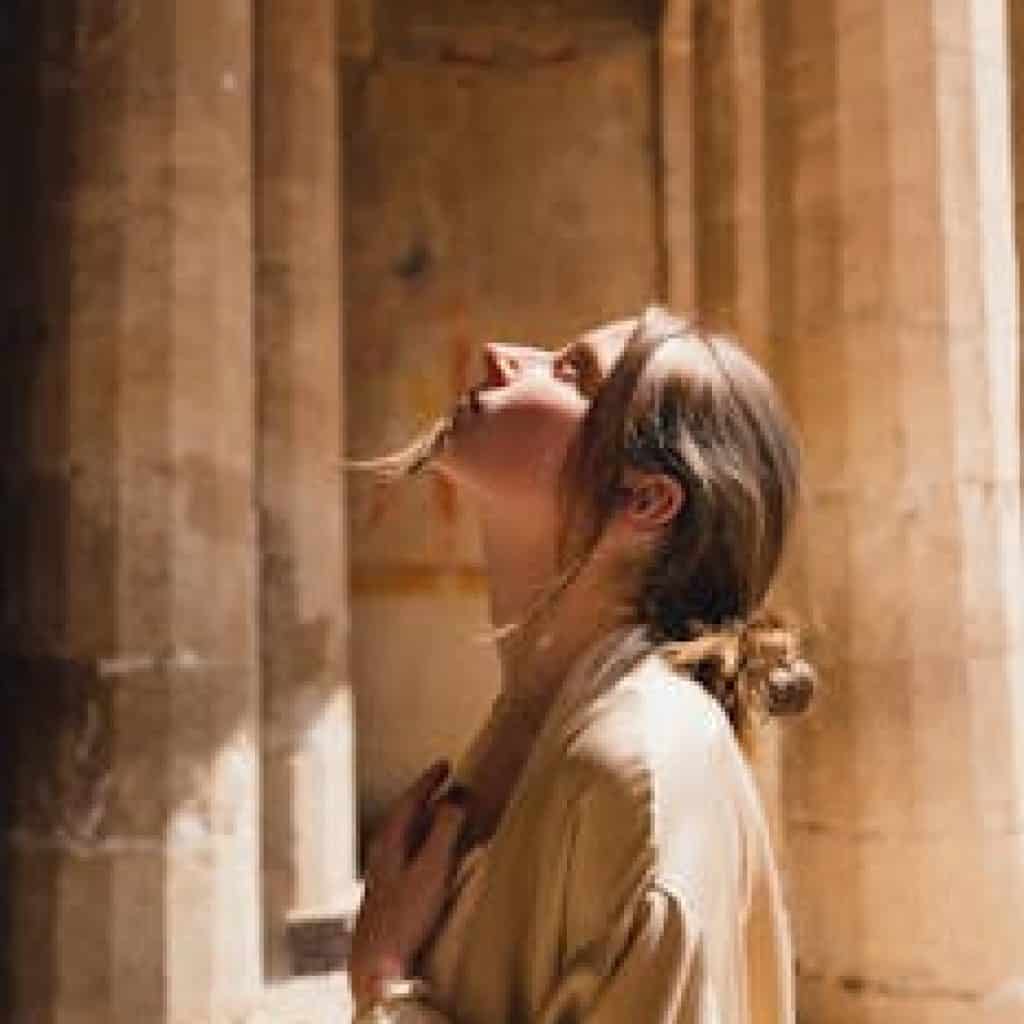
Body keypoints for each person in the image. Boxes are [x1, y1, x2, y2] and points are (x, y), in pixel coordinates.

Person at [347, 306, 815, 1023]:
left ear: (646, 500)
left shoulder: (633, 770)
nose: (501, 352)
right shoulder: (541, 723)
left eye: (571, 373)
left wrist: (385, 980)